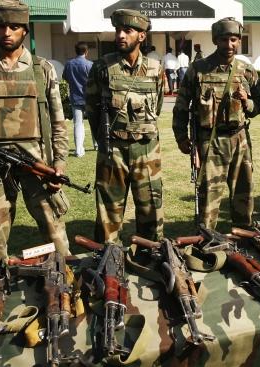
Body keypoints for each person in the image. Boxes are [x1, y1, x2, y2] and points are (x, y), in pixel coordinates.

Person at [0, 0, 71, 259]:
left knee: (54, 232)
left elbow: (58, 122)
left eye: (14, 27)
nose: (7, 32)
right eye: (1, 26)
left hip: (37, 163)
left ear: (25, 31)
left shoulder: (42, 69)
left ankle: (66, 282)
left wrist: (60, 163)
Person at [173, 17, 260, 229]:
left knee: (244, 195)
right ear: (216, 40)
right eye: (224, 40)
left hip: (240, 140)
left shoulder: (246, 69)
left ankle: (244, 241)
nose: (229, 45)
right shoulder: (198, 69)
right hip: (210, 142)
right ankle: (206, 242)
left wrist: (248, 102)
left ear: (239, 40)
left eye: (234, 39)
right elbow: (181, 106)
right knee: (208, 197)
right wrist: (181, 137)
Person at [86, 9, 164, 243]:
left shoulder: (155, 68)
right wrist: (105, 141)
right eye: (118, 30)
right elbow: (92, 109)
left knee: (151, 206)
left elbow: (157, 105)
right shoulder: (102, 67)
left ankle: (151, 255)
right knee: (109, 209)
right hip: (114, 150)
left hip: (147, 150)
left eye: (127, 31)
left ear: (141, 36)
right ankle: (107, 260)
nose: (120, 35)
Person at [63, 41, 94, 158]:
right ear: (86, 52)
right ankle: (96, 145)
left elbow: (65, 77)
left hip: (75, 97)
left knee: (77, 124)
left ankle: (78, 150)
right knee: (93, 122)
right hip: (89, 98)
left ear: (76, 51)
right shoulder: (90, 64)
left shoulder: (69, 64)